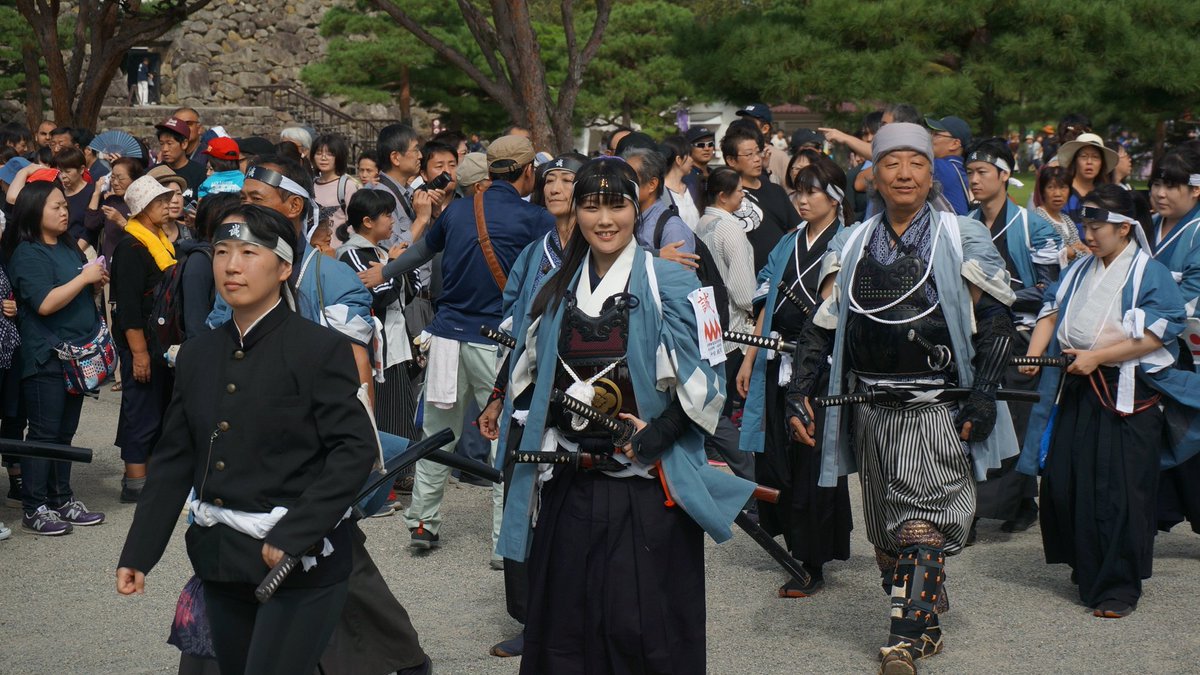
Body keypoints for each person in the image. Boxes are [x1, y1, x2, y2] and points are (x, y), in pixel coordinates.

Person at [497, 157, 754, 673]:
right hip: (571, 484)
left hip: (647, 487)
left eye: (617, 205)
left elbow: (712, 374)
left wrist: (661, 431)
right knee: (568, 627)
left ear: (637, 209)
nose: (604, 219)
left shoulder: (676, 281)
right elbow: (529, 369)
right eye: (591, 206)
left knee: (646, 628)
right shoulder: (554, 286)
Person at [785, 123, 1018, 673]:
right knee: (887, 535)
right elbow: (822, 326)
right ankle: (927, 621)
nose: (904, 174)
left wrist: (983, 396)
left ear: (931, 171)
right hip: (869, 409)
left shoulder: (960, 235)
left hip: (937, 408)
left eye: (916, 162)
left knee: (922, 523)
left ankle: (906, 639)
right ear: (875, 175)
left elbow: (996, 321)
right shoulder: (853, 241)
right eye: (892, 164)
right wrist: (800, 392)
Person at [116, 205, 379, 675]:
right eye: (221, 251)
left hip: (298, 566)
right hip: (221, 561)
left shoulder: (319, 349)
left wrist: (296, 531)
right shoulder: (198, 355)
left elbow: (355, 449)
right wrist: (140, 552)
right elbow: (176, 459)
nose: (231, 266)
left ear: (284, 269)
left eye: (248, 252)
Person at [208, 154, 431, 675]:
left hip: (313, 459)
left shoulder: (333, 279)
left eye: (257, 201)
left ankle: (399, 660)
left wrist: (357, 458)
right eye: (241, 201)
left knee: (336, 562)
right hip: (246, 457)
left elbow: (356, 378)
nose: (245, 210)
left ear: (293, 206)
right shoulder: (235, 273)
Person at [361, 135, 552, 553]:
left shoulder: (457, 211)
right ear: (527, 172)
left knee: (436, 434)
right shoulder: (535, 220)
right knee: (504, 438)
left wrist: (386, 270)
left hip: (446, 337)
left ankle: (424, 523)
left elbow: (420, 254)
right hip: (496, 343)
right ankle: (505, 537)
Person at [1018, 185, 1196, 619]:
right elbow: (1051, 308)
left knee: (1117, 491)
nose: (1089, 235)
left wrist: (1098, 356)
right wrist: (1035, 356)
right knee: (1068, 479)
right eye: (1086, 226)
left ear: (1124, 228)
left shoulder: (1147, 272)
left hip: (1125, 392)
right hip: (1077, 384)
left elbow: (1160, 330)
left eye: (1097, 227)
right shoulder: (1080, 269)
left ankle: (1118, 585)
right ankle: (1088, 564)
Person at [478, 151, 585, 658]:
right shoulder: (533, 251)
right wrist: (498, 395)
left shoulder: (602, 251)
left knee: (576, 507)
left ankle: (580, 612)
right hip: (525, 389)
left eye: (568, 179)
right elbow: (514, 328)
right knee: (520, 500)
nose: (556, 187)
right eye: (550, 179)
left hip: (582, 395)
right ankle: (529, 617)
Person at [736, 158, 853, 597]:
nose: (802, 200)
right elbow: (765, 303)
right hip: (775, 359)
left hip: (818, 369)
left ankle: (812, 561)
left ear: (836, 197)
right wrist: (751, 359)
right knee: (776, 459)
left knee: (811, 463)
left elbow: (828, 314)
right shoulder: (787, 242)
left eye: (812, 191)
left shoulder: (847, 242)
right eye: (797, 192)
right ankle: (793, 544)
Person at [964, 138, 1062, 539]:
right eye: (970, 172)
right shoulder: (964, 221)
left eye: (982, 172)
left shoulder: (1033, 224)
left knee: (1015, 420)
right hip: (977, 333)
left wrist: (997, 291)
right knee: (979, 415)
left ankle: (986, 508)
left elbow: (1051, 289)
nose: (974, 179)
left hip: (1020, 334)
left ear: (1005, 175)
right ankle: (1021, 502)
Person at [3, 180, 108, 535]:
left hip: (78, 355)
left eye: (65, 205)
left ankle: (62, 498)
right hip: (46, 356)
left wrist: (93, 282)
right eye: (56, 207)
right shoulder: (27, 253)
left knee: (64, 433)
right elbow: (45, 303)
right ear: (35, 211)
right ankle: (35, 506)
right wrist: (83, 281)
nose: (65, 212)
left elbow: (76, 289)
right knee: (44, 433)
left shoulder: (67, 246)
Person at [112, 175, 178, 503]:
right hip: (141, 342)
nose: (167, 206)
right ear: (141, 210)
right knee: (140, 408)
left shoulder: (161, 239)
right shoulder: (131, 246)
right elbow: (128, 306)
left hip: (159, 341)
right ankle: (135, 481)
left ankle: (150, 475)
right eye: (159, 203)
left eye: (167, 201)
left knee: (156, 407)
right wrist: (138, 353)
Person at [1146, 146, 1200, 534]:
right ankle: (1158, 514)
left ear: (1195, 190)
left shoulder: (1197, 231)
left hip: (1186, 348)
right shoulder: (1147, 226)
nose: (1161, 194)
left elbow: (1192, 295)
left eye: (1172, 186)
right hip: (1151, 347)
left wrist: (1144, 315)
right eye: (1157, 185)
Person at [335, 189, 417, 445]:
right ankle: (389, 473)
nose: (392, 220)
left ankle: (402, 470)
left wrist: (392, 266)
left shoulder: (382, 252)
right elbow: (380, 295)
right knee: (384, 415)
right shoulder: (352, 254)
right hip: (375, 348)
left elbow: (410, 290)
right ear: (368, 222)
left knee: (402, 411)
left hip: (396, 344)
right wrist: (392, 268)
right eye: (386, 215)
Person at [722, 122, 801, 270]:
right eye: (749, 155)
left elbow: (793, 232)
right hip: (746, 277)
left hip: (781, 273)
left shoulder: (776, 190)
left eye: (758, 152)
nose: (757, 159)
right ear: (731, 160)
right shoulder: (727, 197)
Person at [622, 146, 699, 266]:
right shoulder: (631, 218)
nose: (622, 185)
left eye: (630, 180)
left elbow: (682, 280)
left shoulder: (672, 228)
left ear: (652, 184)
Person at [85, 157, 144, 266]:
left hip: (131, 263)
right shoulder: (112, 201)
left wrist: (121, 221)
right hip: (108, 265)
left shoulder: (142, 204)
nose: (115, 183)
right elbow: (91, 223)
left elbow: (145, 237)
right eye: (112, 177)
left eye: (120, 178)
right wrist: (96, 193)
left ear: (134, 179)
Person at [1032, 165, 1088, 265]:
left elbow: (1081, 249)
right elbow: (1053, 253)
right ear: (1043, 191)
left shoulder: (1066, 219)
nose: (1057, 193)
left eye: (1063, 187)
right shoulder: (1037, 219)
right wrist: (1070, 251)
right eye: (1051, 187)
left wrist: (1071, 250)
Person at [1058, 132, 1117, 225]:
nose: (1089, 162)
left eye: (1095, 157)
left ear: (1102, 163)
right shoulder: (1063, 191)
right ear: (1075, 161)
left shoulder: (1104, 194)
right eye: (1084, 156)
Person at [312, 133, 359, 244]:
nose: (323, 158)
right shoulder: (310, 185)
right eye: (319, 153)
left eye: (330, 154)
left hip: (338, 251)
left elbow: (355, 223)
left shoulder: (347, 187)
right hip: (315, 251)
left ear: (339, 157)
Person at [50, 148, 97, 252]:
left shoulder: (92, 192)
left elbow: (90, 229)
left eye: (67, 172)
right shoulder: (58, 191)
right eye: (60, 171)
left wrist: (76, 251)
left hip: (82, 250)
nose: (63, 176)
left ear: (81, 169)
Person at [925, 115, 972, 215]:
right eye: (931, 133)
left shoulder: (940, 166)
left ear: (955, 144)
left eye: (937, 134)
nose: (930, 138)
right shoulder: (960, 166)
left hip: (951, 228)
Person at [736, 102, 790, 186]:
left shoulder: (781, 157)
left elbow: (790, 195)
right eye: (743, 121)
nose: (744, 126)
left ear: (765, 128)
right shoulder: (736, 153)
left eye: (750, 123)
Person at [154, 118, 206, 196]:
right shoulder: (153, 173)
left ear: (184, 144)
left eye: (169, 143)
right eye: (162, 144)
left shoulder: (200, 173)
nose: (165, 149)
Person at [660, 135, 700, 230]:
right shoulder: (660, 193)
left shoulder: (692, 187)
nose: (692, 160)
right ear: (678, 160)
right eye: (689, 155)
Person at [684, 126, 716, 210]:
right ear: (688, 148)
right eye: (700, 145)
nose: (707, 148)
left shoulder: (715, 174)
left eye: (710, 144)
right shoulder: (686, 177)